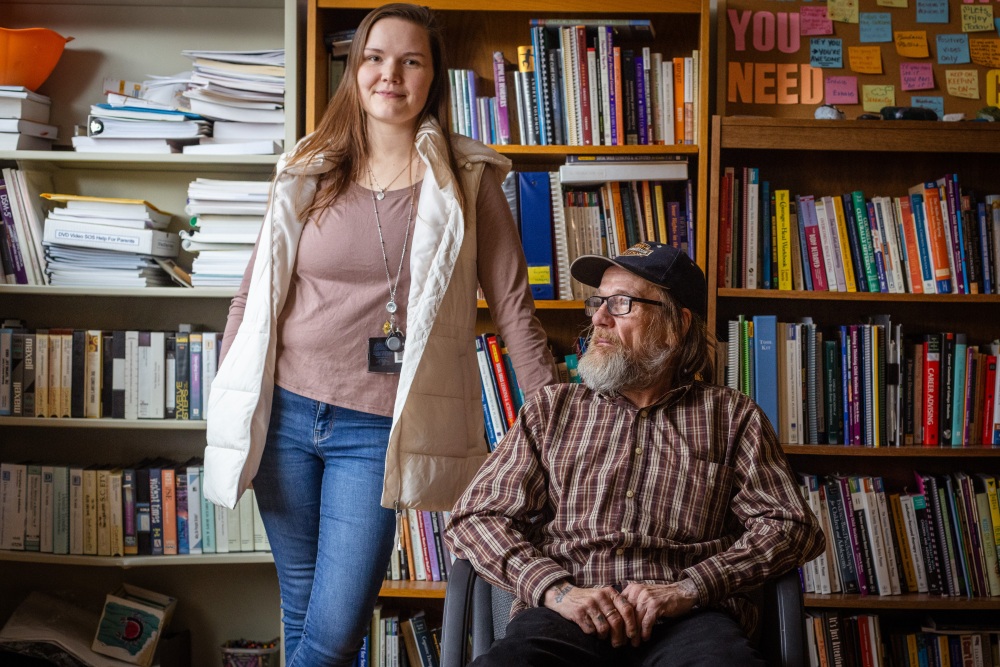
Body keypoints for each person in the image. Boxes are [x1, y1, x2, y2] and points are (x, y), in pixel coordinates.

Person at [202, 5, 558, 665]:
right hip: (283, 415)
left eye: (410, 60)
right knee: (303, 609)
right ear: (354, 69)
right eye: (374, 57)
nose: (389, 74)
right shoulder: (306, 168)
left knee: (334, 630)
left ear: (433, 77)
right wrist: (230, 398)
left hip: (377, 429)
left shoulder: (470, 180)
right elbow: (252, 298)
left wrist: (559, 425)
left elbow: (513, 310)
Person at [446, 241, 825, 666]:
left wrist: (691, 588)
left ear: (677, 324)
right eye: (598, 302)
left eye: (621, 304)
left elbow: (792, 527)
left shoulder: (731, 417)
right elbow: (473, 518)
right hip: (567, 614)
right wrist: (557, 590)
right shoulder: (552, 410)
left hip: (690, 620)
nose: (598, 319)